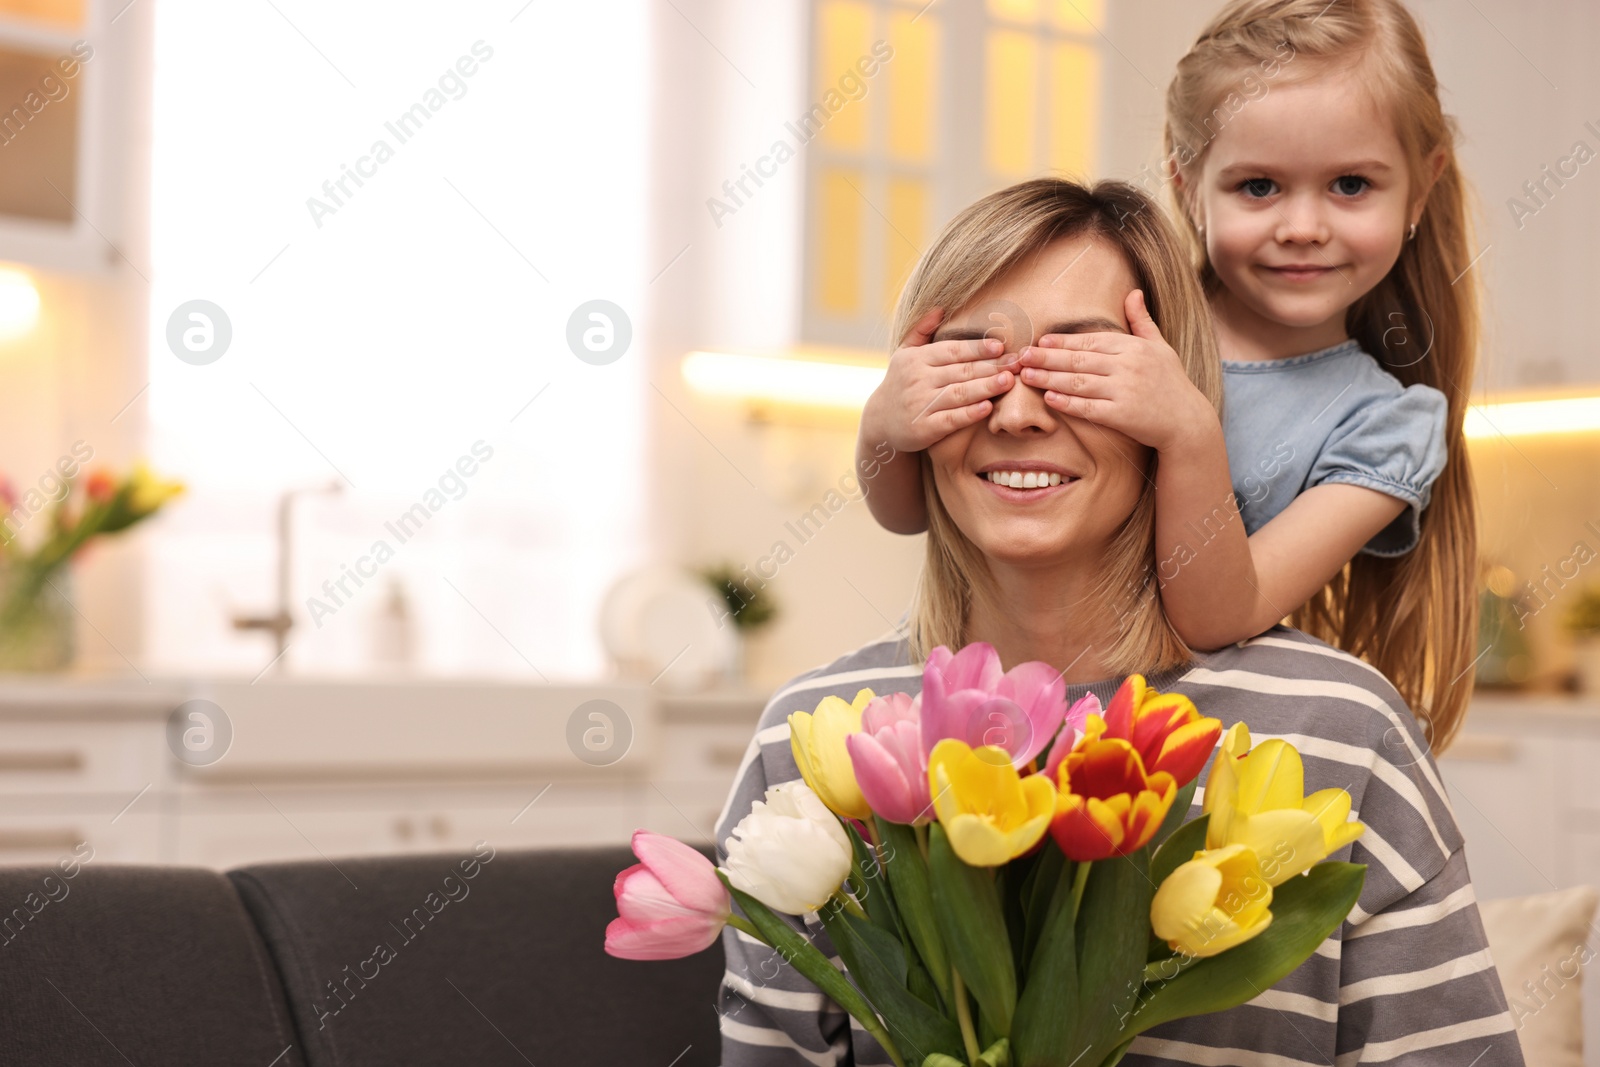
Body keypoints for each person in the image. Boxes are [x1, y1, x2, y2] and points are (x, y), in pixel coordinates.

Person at [716, 177, 1522, 1066]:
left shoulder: (1345, 735)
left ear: (1175, 404)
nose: (1019, 413)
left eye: (1084, 368)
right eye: (968, 367)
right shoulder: (813, 742)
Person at [854, 0, 1479, 753]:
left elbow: (1218, 614)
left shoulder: (1388, 426)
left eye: (1351, 185)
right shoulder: (1120, 309)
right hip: (1007, 692)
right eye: (1258, 187)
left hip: (1194, 725)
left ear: (1422, 184)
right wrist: (884, 427)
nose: (1303, 225)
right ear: (1187, 183)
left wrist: (1186, 428)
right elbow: (907, 513)